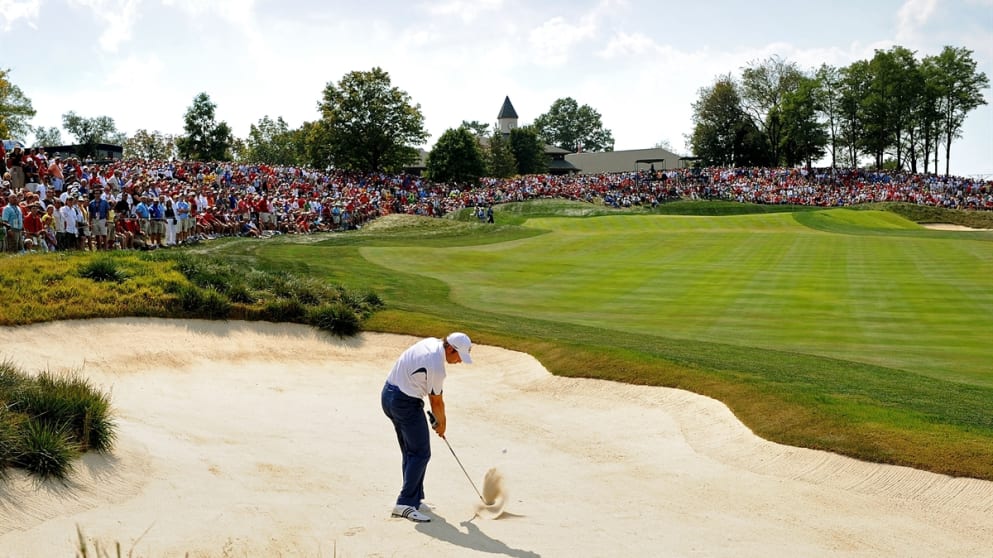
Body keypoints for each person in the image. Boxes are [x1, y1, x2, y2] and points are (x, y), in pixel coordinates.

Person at [381, 332, 473, 523]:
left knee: (411, 452)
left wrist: (438, 422)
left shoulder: (432, 342)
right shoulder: (436, 366)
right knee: (421, 453)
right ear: (450, 348)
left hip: (388, 395)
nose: (459, 361)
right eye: (459, 356)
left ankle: (414, 498)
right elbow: (436, 402)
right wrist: (442, 425)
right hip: (405, 403)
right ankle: (404, 503)